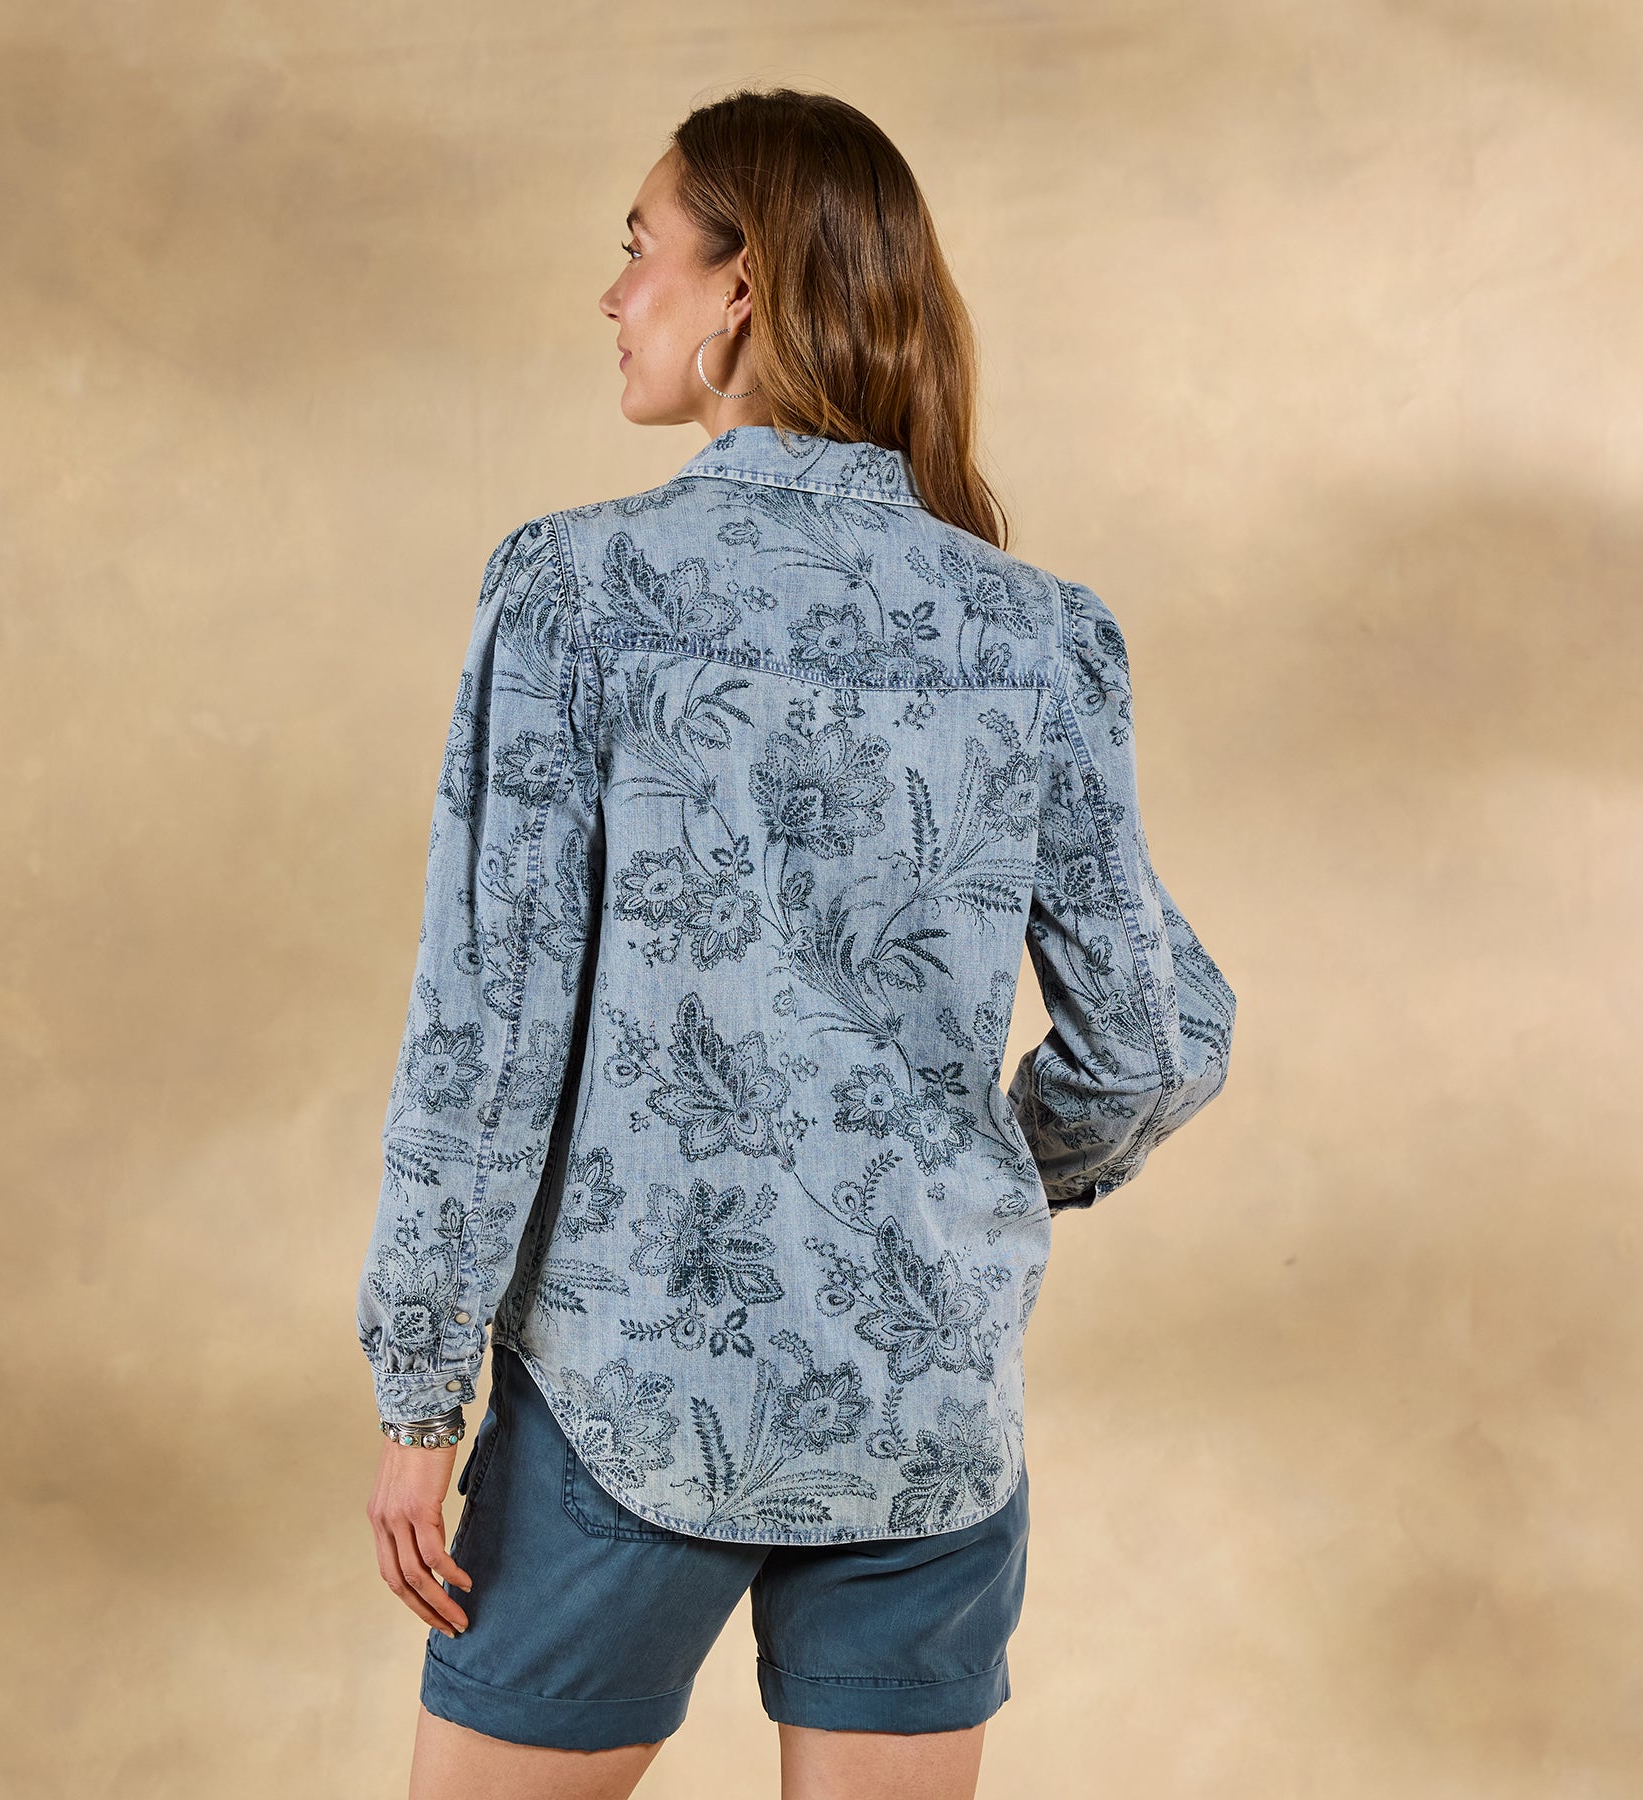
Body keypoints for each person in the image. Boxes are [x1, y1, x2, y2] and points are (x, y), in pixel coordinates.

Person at [359, 85, 1237, 1800]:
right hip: (926, 1413)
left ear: (741, 284)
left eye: (638, 248)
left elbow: (488, 1028)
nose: (613, 294)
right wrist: (979, 1187)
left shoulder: (578, 592)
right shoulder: (1040, 633)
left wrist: (417, 1394)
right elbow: (1155, 1039)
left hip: (627, 1396)